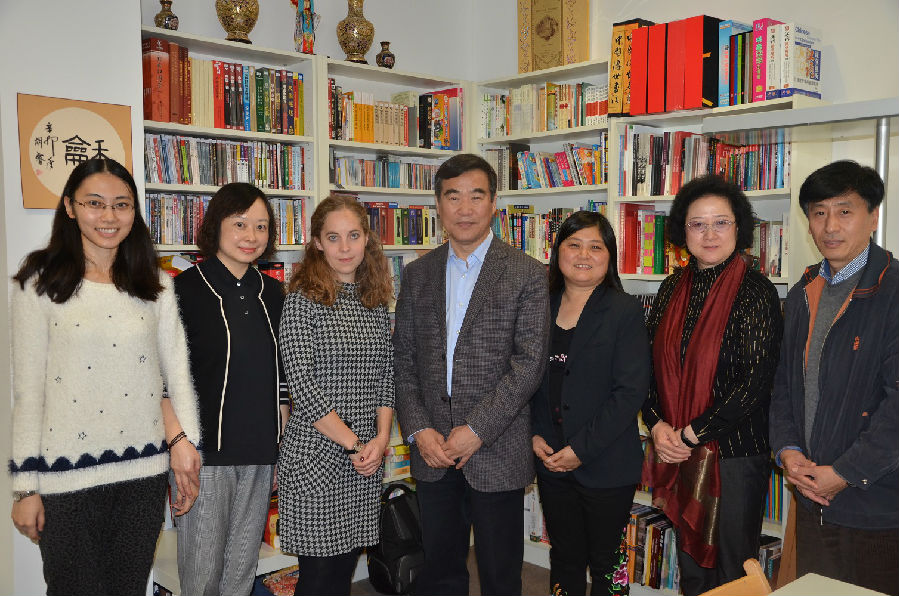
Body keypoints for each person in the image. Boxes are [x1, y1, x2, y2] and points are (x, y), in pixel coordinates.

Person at [8, 157, 201, 596]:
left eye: (122, 204)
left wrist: (188, 449)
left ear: (134, 211)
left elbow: (177, 376)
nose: (109, 216)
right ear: (70, 207)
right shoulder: (39, 283)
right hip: (65, 480)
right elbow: (29, 392)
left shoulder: (155, 285)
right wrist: (24, 489)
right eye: (95, 203)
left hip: (142, 476)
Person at [393, 153, 550, 596]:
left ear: (494, 203)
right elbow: (403, 361)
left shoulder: (527, 273)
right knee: (440, 572)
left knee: (501, 575)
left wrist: (477, 429)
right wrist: (419, 429)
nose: (464, 209)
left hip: (496, 448)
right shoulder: (418, 274)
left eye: (476, 196)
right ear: (438, 205)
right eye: (453, 196)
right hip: (432, 450)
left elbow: (529, 365)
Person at [641, 176, 783, 596]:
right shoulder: (671, 287)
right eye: (697, 224)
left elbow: (755, 383)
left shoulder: (756, 292)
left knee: (733, 568)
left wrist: (690, 434)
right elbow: (646, 367)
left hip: (734, 453)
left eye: (721, 222)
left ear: (739, 227)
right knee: (690, 564)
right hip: (675, 445)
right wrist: (656, 425)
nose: (709, 234)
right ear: (681, 232)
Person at [769, 160, 898, 596]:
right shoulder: (803, 292)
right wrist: (788, 452)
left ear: (873, 217)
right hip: (812, 497)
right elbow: (784, 385)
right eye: (819, 212)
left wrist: (844, 471)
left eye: (845, 211)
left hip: (878, 504)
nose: (830, 226)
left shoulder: (894, 291)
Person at [172, 183, 289, 596]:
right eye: (240, 224)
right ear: (216, 225)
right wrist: (178, 446)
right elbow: (165, 379)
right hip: (204, 456)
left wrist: (280, 448)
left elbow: (281, 378)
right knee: (202, 574)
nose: (251, 235)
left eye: (260, 226)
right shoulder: (183, 290)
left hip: (259, 452)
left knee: (241, 570)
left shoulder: (274, 293)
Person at [277, 194, 395, 596]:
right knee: (319, 579)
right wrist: (355, 445)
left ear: (367, 240)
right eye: (333, 237)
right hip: (317, 456)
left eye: (353, 236)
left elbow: (386, 377)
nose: (345, 247)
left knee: (342, 575)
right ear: (317, 243)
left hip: (364, 459)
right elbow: (303, 389)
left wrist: (381, 439)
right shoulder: (301, 302)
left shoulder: (373, 301)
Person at [530, 211, 650, 596]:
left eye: (595, 246)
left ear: (609, 255)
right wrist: (533, 434)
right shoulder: (539, 307)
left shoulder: (625, 310)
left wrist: (580, 450)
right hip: (551, 459)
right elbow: (524, 379)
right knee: (564, 555)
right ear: (558, 253)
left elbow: (629, 392)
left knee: (606, 561)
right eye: (574, 245)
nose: (584, 255)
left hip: (605, 462)